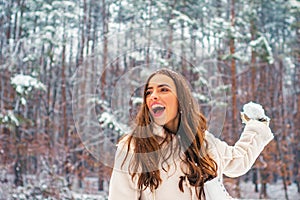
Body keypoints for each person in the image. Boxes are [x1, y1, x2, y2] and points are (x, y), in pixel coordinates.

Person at [108, 68, 273, 200]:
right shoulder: (133, 148)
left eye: (163, 89)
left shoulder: (204, 142)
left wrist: (256, 125)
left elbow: (239, 160)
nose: (153, 96)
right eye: (148, 92)